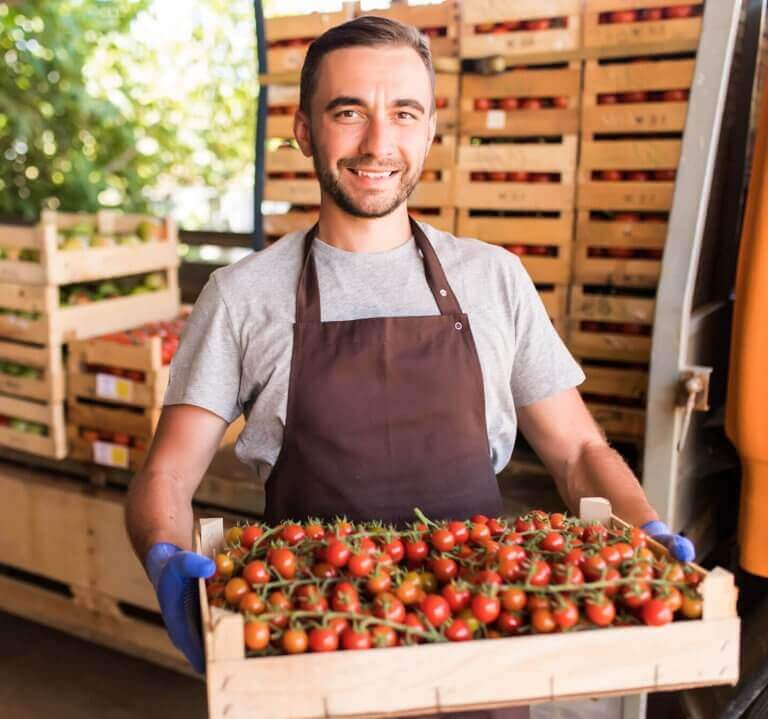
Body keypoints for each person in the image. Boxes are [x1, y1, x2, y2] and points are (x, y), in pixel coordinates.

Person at [124, 15, 695, 717]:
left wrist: (646, 529)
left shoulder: (494, 279)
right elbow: (168, 473)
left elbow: (578, 451)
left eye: (403, 114)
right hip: (306, 653)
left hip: (477, 644)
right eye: (348, 112)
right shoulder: (244, 295)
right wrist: (164, 558)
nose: (377, 143)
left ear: (429, 130)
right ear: (304, 131)